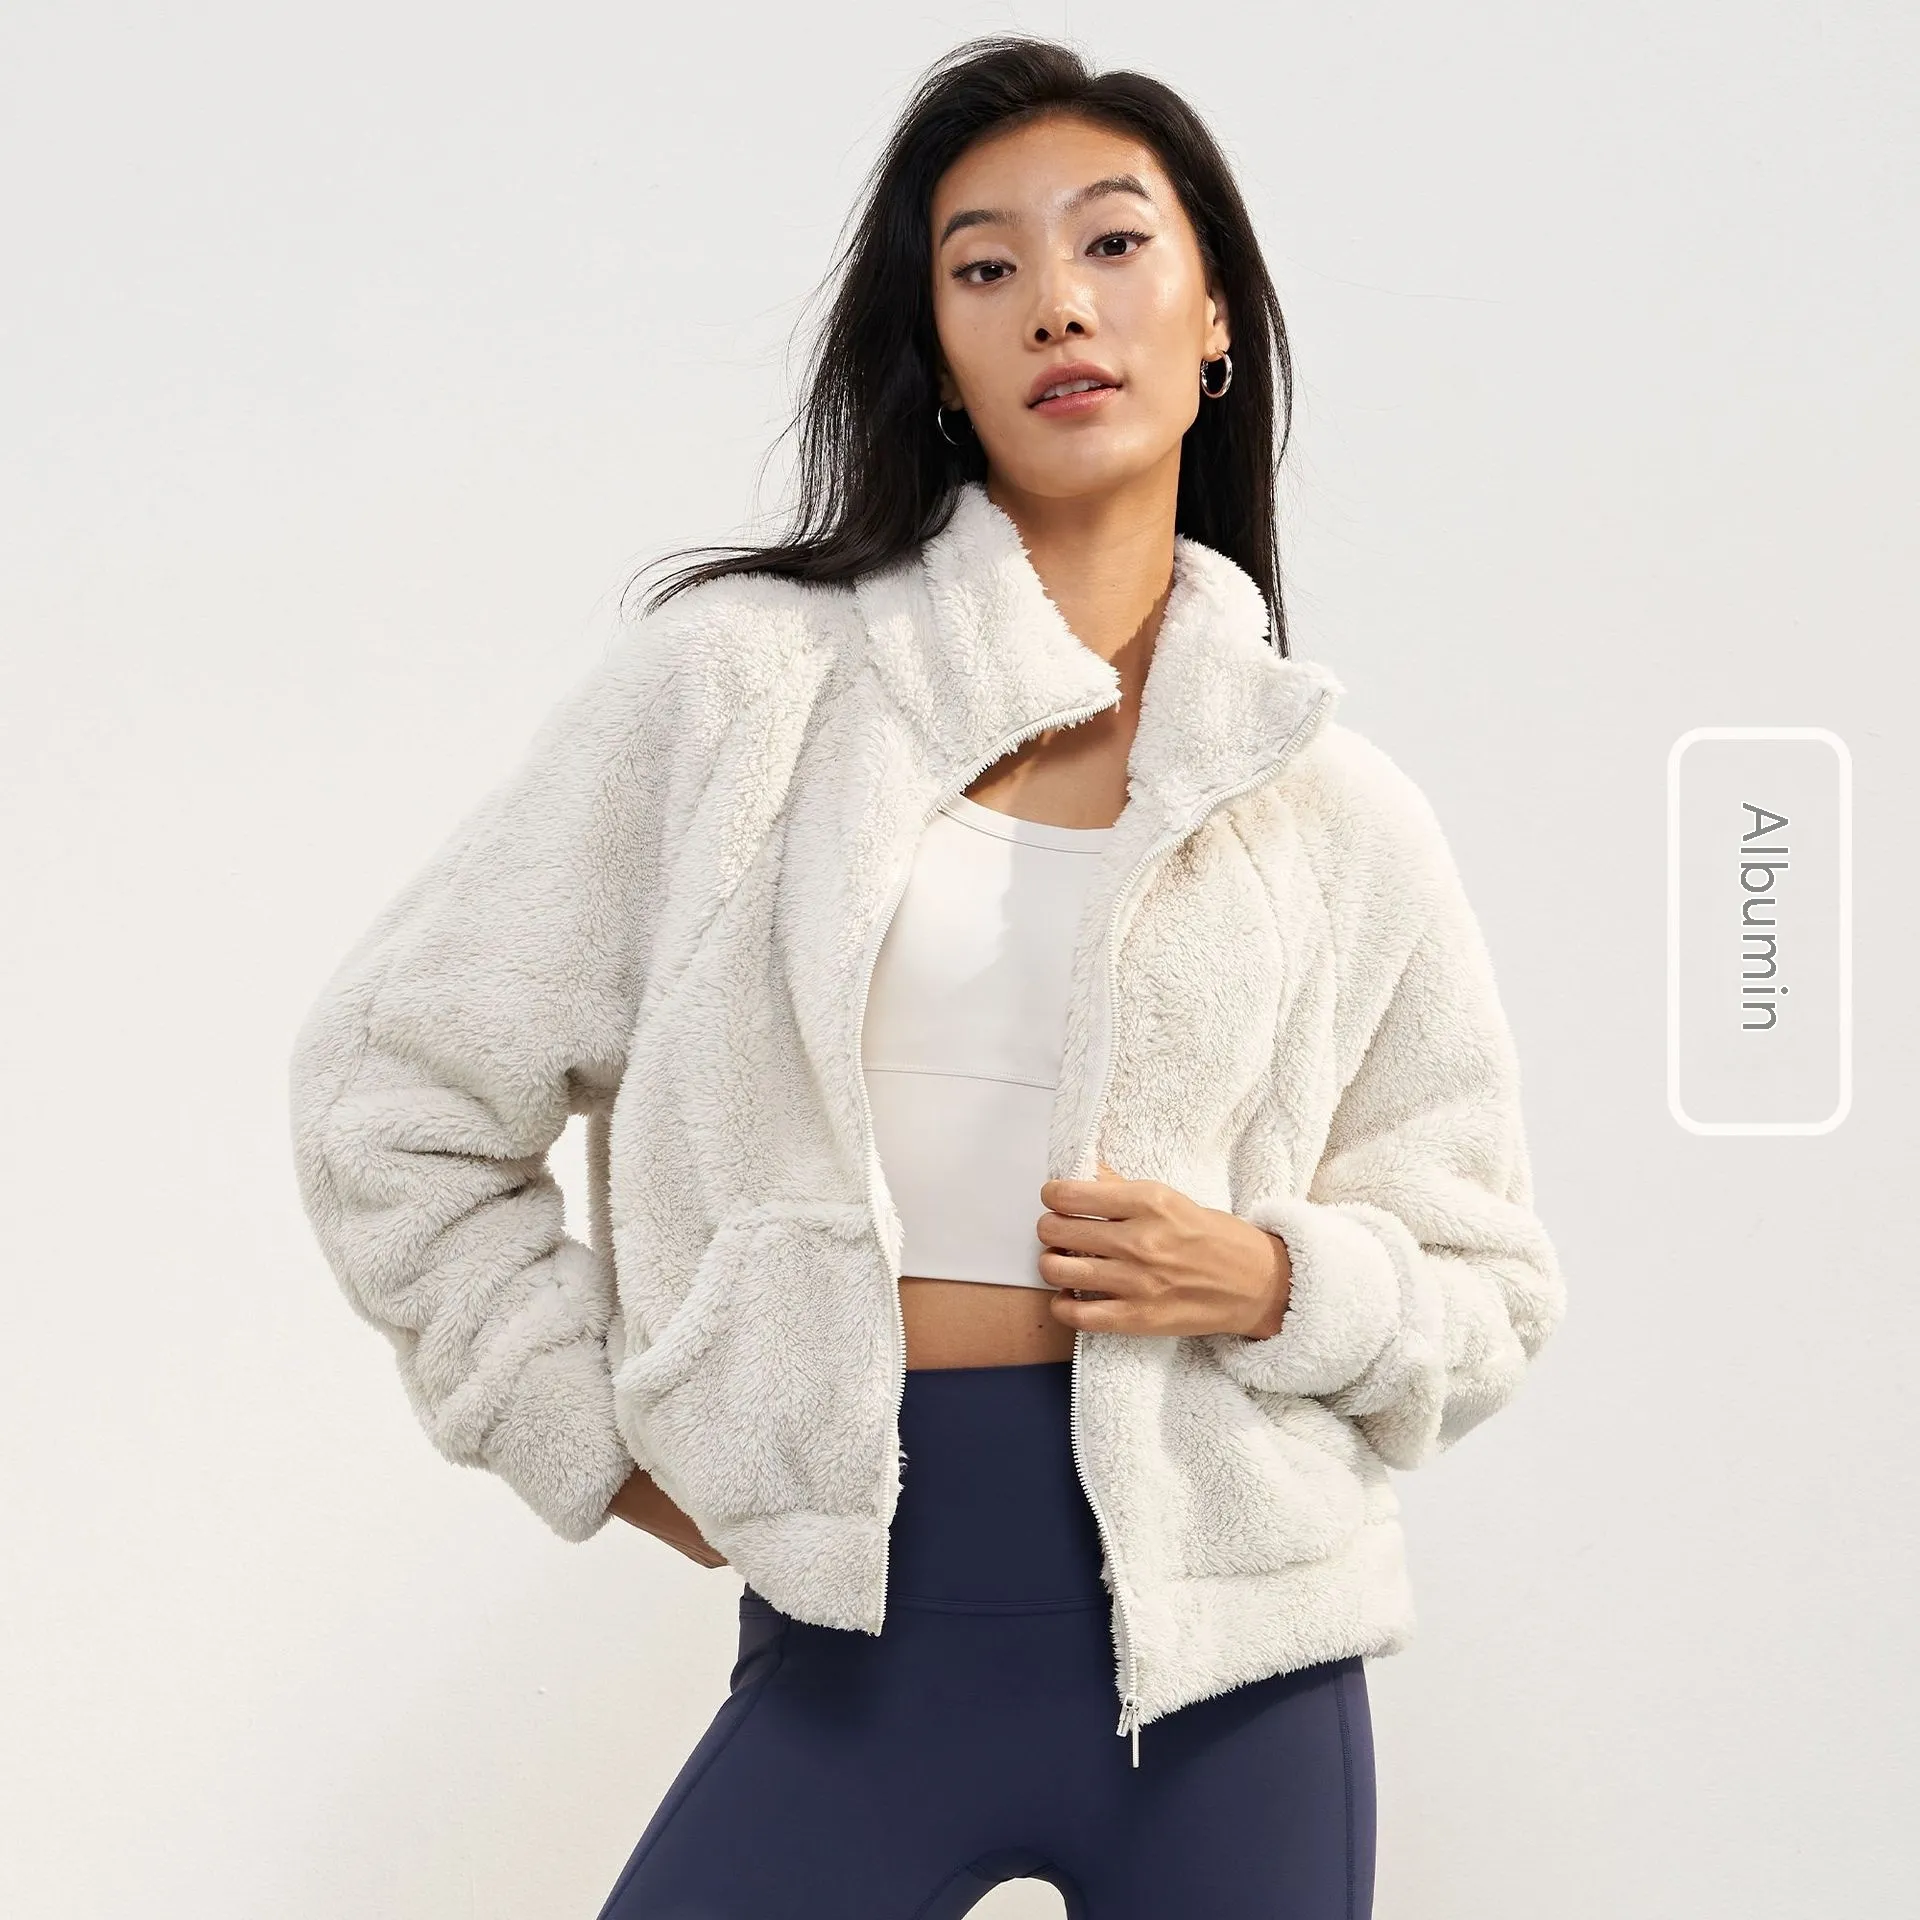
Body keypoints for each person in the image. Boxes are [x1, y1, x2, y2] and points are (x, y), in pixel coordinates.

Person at [287, 33, 1569, 1920]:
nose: (1058, 302)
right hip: (865, 1635)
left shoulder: (1334, 812)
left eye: (1114, 244)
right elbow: (392, 1093)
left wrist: (1279, 1277)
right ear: (939, 353)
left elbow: (1490, 1282)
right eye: (986, 267)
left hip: (1242, 1659)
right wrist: (595, 1436)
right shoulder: (744, 692)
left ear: (1217, 313)